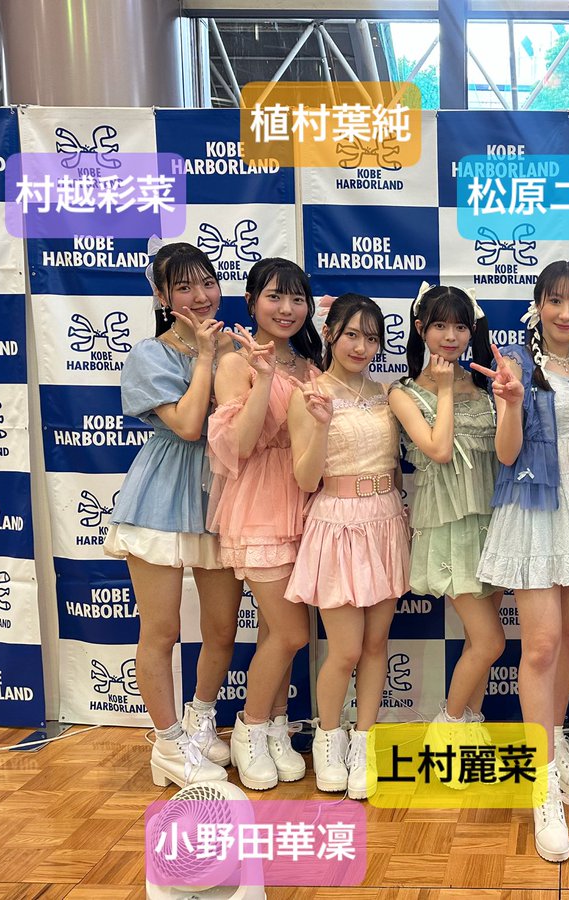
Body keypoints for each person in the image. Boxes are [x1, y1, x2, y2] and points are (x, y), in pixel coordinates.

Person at [475, 260, 569, 863]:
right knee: (540, 647)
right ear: (537, 305)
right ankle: (541, 786)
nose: (566, 312)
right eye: (555, 300)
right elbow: (507, 455)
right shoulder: (516, 365)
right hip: (535, 510)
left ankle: (555, 746)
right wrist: (509, 403)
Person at [105, 242, 242, 788]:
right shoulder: (151, 354)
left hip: (223, 496)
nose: (200, 296)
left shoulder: (237, 343)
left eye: (207, 282)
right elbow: (187, 426)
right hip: (161, 496)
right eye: (183, 287)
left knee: (222, 629)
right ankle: (166, 743)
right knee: (161, 631)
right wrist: (206, 358)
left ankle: (200, 721)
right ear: (162, 297)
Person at [286, 293, 410, 801]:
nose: (362, 346)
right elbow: (304, 478)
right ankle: (328, 740)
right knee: (345, 649)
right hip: (337, 523)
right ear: (330, 333)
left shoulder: (387, 393)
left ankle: (364, 742)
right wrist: (320, 424)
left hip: (385, 520)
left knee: (377, 646)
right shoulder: (309, 393)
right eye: (352, 334)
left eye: (372, 337)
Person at [207, 258, 322, 791]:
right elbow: (240, 444)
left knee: (278, 632)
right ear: (252, 301)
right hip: (258, 505)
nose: (287, 309)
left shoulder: (311, 364)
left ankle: (276, 727)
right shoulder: (236, 361)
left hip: (306, 504)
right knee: (293, 632)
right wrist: (267, 377)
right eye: (275, 297)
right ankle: (249, 730)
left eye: (297, 299)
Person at [387, 284, 504, 743]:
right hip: (448, 524)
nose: (451, 336)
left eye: (460, 326)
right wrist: (447, 388)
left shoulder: (488, 387)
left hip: (493, 521)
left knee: (481, 642)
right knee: (491, 641)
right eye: (439, 325)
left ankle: (469, 729)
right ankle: (447, 727)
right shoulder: (404, 393)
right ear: (421, 328)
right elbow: (438, 450)